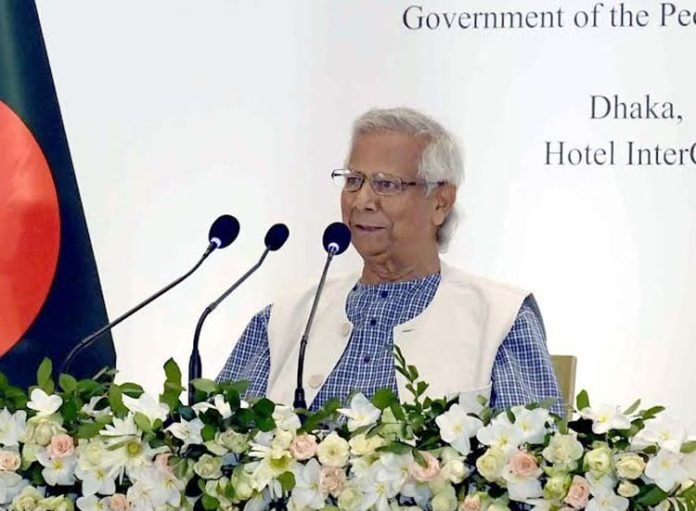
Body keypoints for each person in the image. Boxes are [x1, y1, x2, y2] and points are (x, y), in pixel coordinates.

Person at [217, 107, 563, 415]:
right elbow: (221, 439)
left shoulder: (501, 317)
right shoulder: (285, 317)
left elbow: (531, 453)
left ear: (440, 201)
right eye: (353, 181)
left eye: (386, 184)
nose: (362, 201)